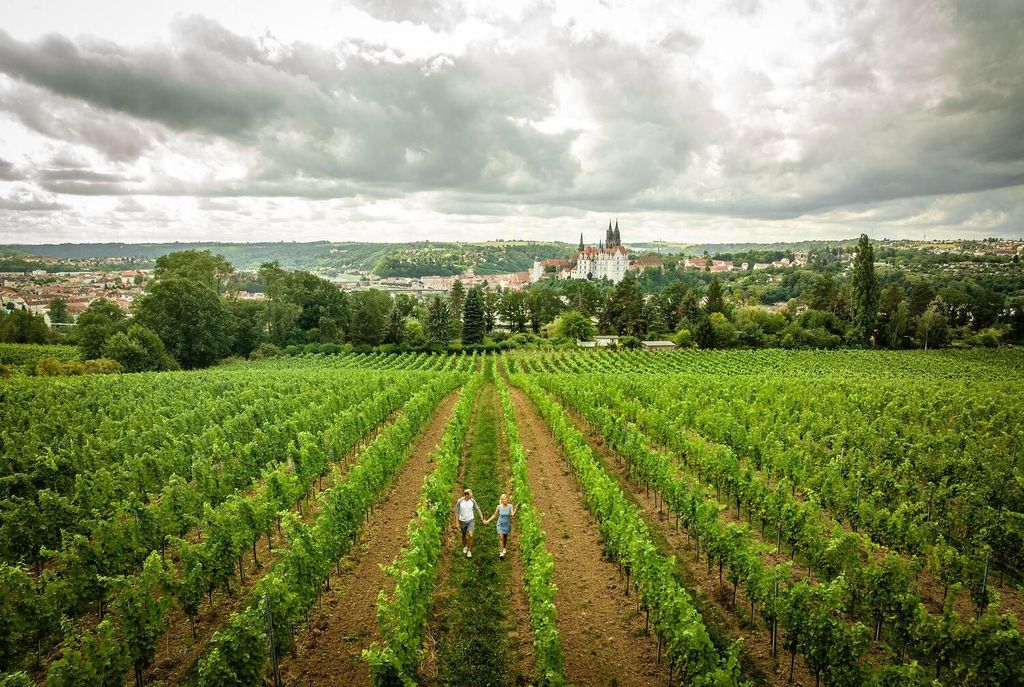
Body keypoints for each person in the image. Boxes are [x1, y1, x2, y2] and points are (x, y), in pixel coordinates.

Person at [484, 492, 517, 559]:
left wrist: (515, 509)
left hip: (507, 524)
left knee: (505, 537)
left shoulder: (510, 506)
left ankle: (504, 547)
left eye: (506, 499)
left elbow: (512, 514)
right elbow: (494, 515)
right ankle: (501, 553)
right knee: (501, 537)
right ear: (501, 500)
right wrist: (488, 521)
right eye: (503, 499)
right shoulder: (499, 507)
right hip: (500, 524)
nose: (505, 500)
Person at [454, 488, 484, 558]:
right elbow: (456, 512)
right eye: (471, 494)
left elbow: (477, 509)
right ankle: (465, 546)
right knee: (464, 535)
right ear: (467, 495)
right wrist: (457, 522)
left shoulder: (472, 501)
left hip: (471, 520)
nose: (472, 495)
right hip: (462, 521)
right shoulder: (460, 502)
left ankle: (469, 550)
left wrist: (482, 518)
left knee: (470, 535)